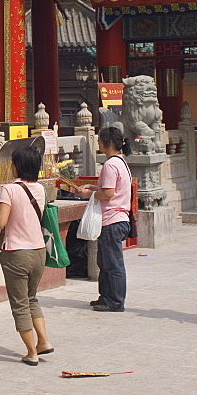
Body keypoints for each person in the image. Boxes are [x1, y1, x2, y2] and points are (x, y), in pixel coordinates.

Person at [0, 145, 53, 366]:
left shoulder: (9, 189)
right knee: (31, 298)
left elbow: (0, 222)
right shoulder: (40, 189)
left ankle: (31, 351)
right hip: (38, 251)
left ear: (17, 166)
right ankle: (43, 341)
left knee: (20, 303)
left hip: (16, 252)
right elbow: (24, 213)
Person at [75, 126, 132, 312]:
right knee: (105, 262)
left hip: (112, 219)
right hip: (118, 217)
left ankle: (115, 301)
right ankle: (106, 296)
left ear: (107, 144)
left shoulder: (110, 165)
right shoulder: (120, 162)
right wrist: (92, 188)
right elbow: (107, 189)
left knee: (112, 263)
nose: (98, 144)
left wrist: (88, 194)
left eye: (100, 141)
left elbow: (108, 193)